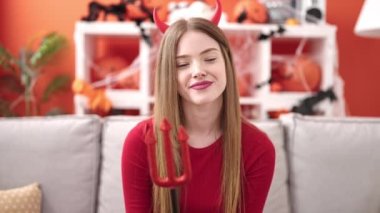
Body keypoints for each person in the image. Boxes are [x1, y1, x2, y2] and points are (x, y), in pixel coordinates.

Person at [121, 2, 275, 212]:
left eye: (210, 59)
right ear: (169, 76)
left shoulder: (258, 149)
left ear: (227, 63)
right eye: (182, 64)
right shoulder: (141, 142)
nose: (198, 71)